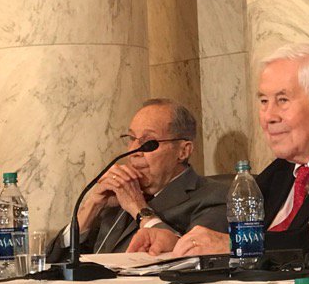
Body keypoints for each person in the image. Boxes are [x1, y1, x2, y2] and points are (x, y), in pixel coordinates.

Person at [129, 44, 309, 260]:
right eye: (263, 101)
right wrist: (178, 241)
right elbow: (229, 234)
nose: (268, 116)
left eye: (282, 100)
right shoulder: (280, 173)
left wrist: (235, 246)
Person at [49, 99, 228, 258]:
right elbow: (53, 262)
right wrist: (91, 208)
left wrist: (138, 208)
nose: (133, 151)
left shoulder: (215, 197)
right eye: (131, 139)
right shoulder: (116, 198)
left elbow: (191, 255)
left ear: (183, 151)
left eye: (148, 142)